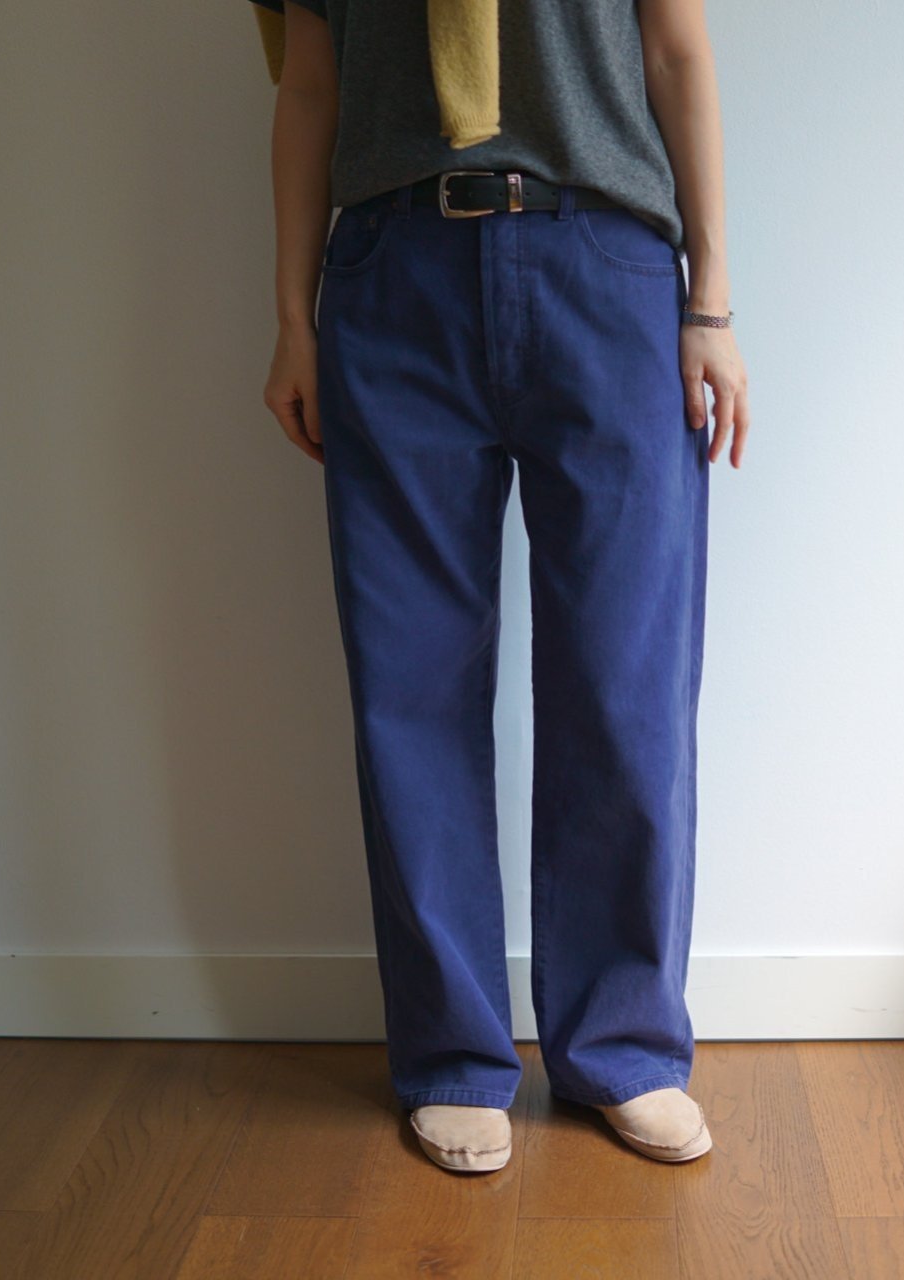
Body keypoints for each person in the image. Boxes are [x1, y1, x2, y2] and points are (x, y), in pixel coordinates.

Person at [251, 0, 750, 1174]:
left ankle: (622, 1043)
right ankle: (452, 1051)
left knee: (622, 682)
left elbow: (676, 47)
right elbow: (311, 85)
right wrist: (291, 316)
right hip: (392, 269)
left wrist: (711, 300)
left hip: (606, 263)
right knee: (410, 684)